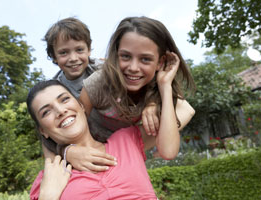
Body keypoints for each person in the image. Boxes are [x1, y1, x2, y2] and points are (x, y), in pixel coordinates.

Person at [64, 16, 195, 171]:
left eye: (145, 59)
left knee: (185, 110)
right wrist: (68, 152)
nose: (133, 67)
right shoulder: (98, 84)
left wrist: (164, 87)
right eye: (125, 56)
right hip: (90, 152)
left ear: (160, 62)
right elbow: (69, 129)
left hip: (123, 153)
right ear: (116, 54)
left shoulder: (157, 87)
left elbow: (168, 151)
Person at [27, 79, 179, 199]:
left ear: (81, 105)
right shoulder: (48, 178)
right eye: (46, 112)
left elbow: (184, 110)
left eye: (64, 99)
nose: (60, 111)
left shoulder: (126, 140)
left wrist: (159, 94)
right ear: (43, 131)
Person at [44, 17, 102, 98]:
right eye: (63, 53)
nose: (73, 58)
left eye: (79, 50)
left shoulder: (103, 69)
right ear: (54, 56)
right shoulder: (55, 89)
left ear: (88, 49)